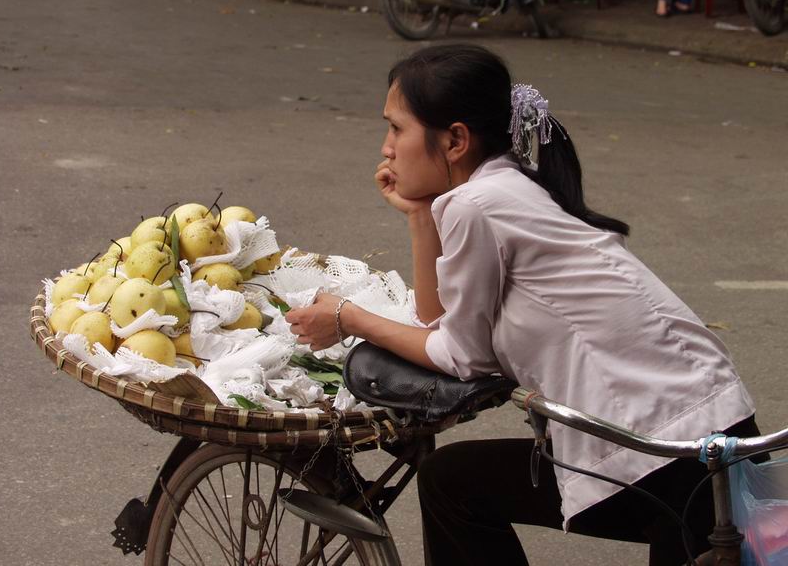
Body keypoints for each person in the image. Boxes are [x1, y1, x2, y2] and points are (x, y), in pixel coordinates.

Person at [284, 44, 760, 565]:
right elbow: (438, 321)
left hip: (665, 447)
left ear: (456, 139)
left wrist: (346, 317)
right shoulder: (501, 186)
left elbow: (460, 355)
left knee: (454, 484)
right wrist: (420, 217)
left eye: (397, 128)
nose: (387, 147)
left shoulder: (476, 205)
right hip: (700, 430)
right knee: (453, 481)